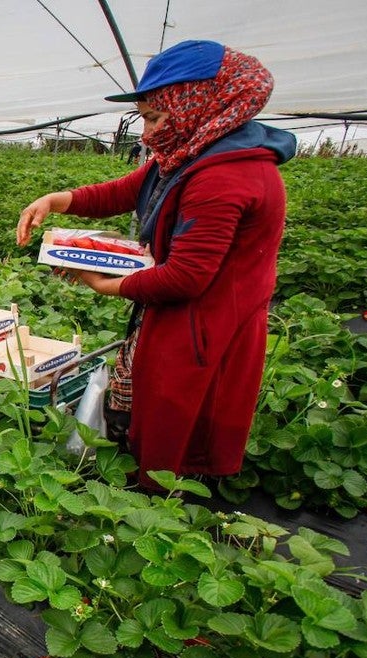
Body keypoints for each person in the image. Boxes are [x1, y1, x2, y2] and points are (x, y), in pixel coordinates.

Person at [15, 40, 295, 490]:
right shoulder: (190, 153)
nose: (146, 133)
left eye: (153, 117)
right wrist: (56, 200)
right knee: (149, 401)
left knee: (179, 418)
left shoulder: (225, 176)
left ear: (198, 103)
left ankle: (159, 508)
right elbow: (123, 191)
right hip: (178, 313)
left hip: (206, 322)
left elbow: (186, 277)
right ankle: (143, 480)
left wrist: (104, 284)